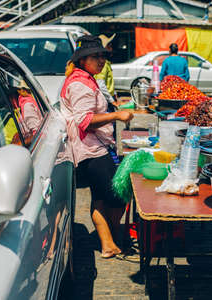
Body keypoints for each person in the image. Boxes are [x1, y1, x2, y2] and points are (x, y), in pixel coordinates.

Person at [59, 35, 134, 258]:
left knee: (102, 196)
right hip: (90, 149)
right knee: (115, 196)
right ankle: (110, 238)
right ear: (83, 60)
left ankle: (109, 242)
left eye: (103, 56)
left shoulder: (86, 78)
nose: (101, 60)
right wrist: (117, 115)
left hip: (95, 147)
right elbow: (84, 120)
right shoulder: (80, 83)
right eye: (96, 57)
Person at [95, 33, 116, 104]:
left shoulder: (106, 63)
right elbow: (100, 85)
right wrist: (112, 101)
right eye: (109, 45)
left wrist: (114, 94)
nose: (111, 48)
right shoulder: (102, 64)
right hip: (105, 99)